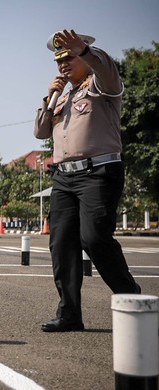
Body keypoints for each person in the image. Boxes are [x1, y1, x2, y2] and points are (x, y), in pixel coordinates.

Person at [34, 29, 140, 333]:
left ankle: (133, 300)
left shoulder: (100, 85)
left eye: (69, 58)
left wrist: (86, 52)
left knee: (94, 238)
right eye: (59, 61)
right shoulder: (64, 97)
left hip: (97, 174)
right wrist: (50, 96)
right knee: (61, 244)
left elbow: (108, 70)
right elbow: (41, 131)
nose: (63, 65)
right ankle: (69, 313)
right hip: (64, 178)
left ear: (82, 56)